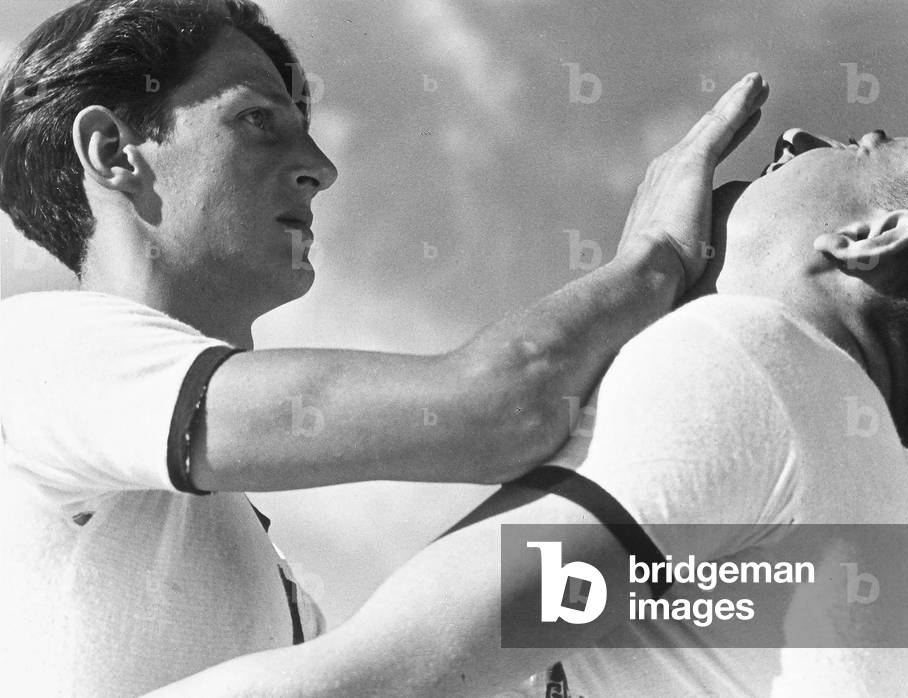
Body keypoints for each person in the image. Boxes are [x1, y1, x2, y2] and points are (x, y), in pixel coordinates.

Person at [0, 1, 768, 695]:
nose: (320, 168)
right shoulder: (34, 352)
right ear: (113, 150)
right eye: (258, 120)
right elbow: (499, 408)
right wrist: (657, 254)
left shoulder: (272, 586)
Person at [143, 123, 908, 696]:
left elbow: (387, 681)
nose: (792, 135)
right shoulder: (893, 539)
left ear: (868, 238)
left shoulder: (761, 359)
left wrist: (646, 263)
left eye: (847, 144)